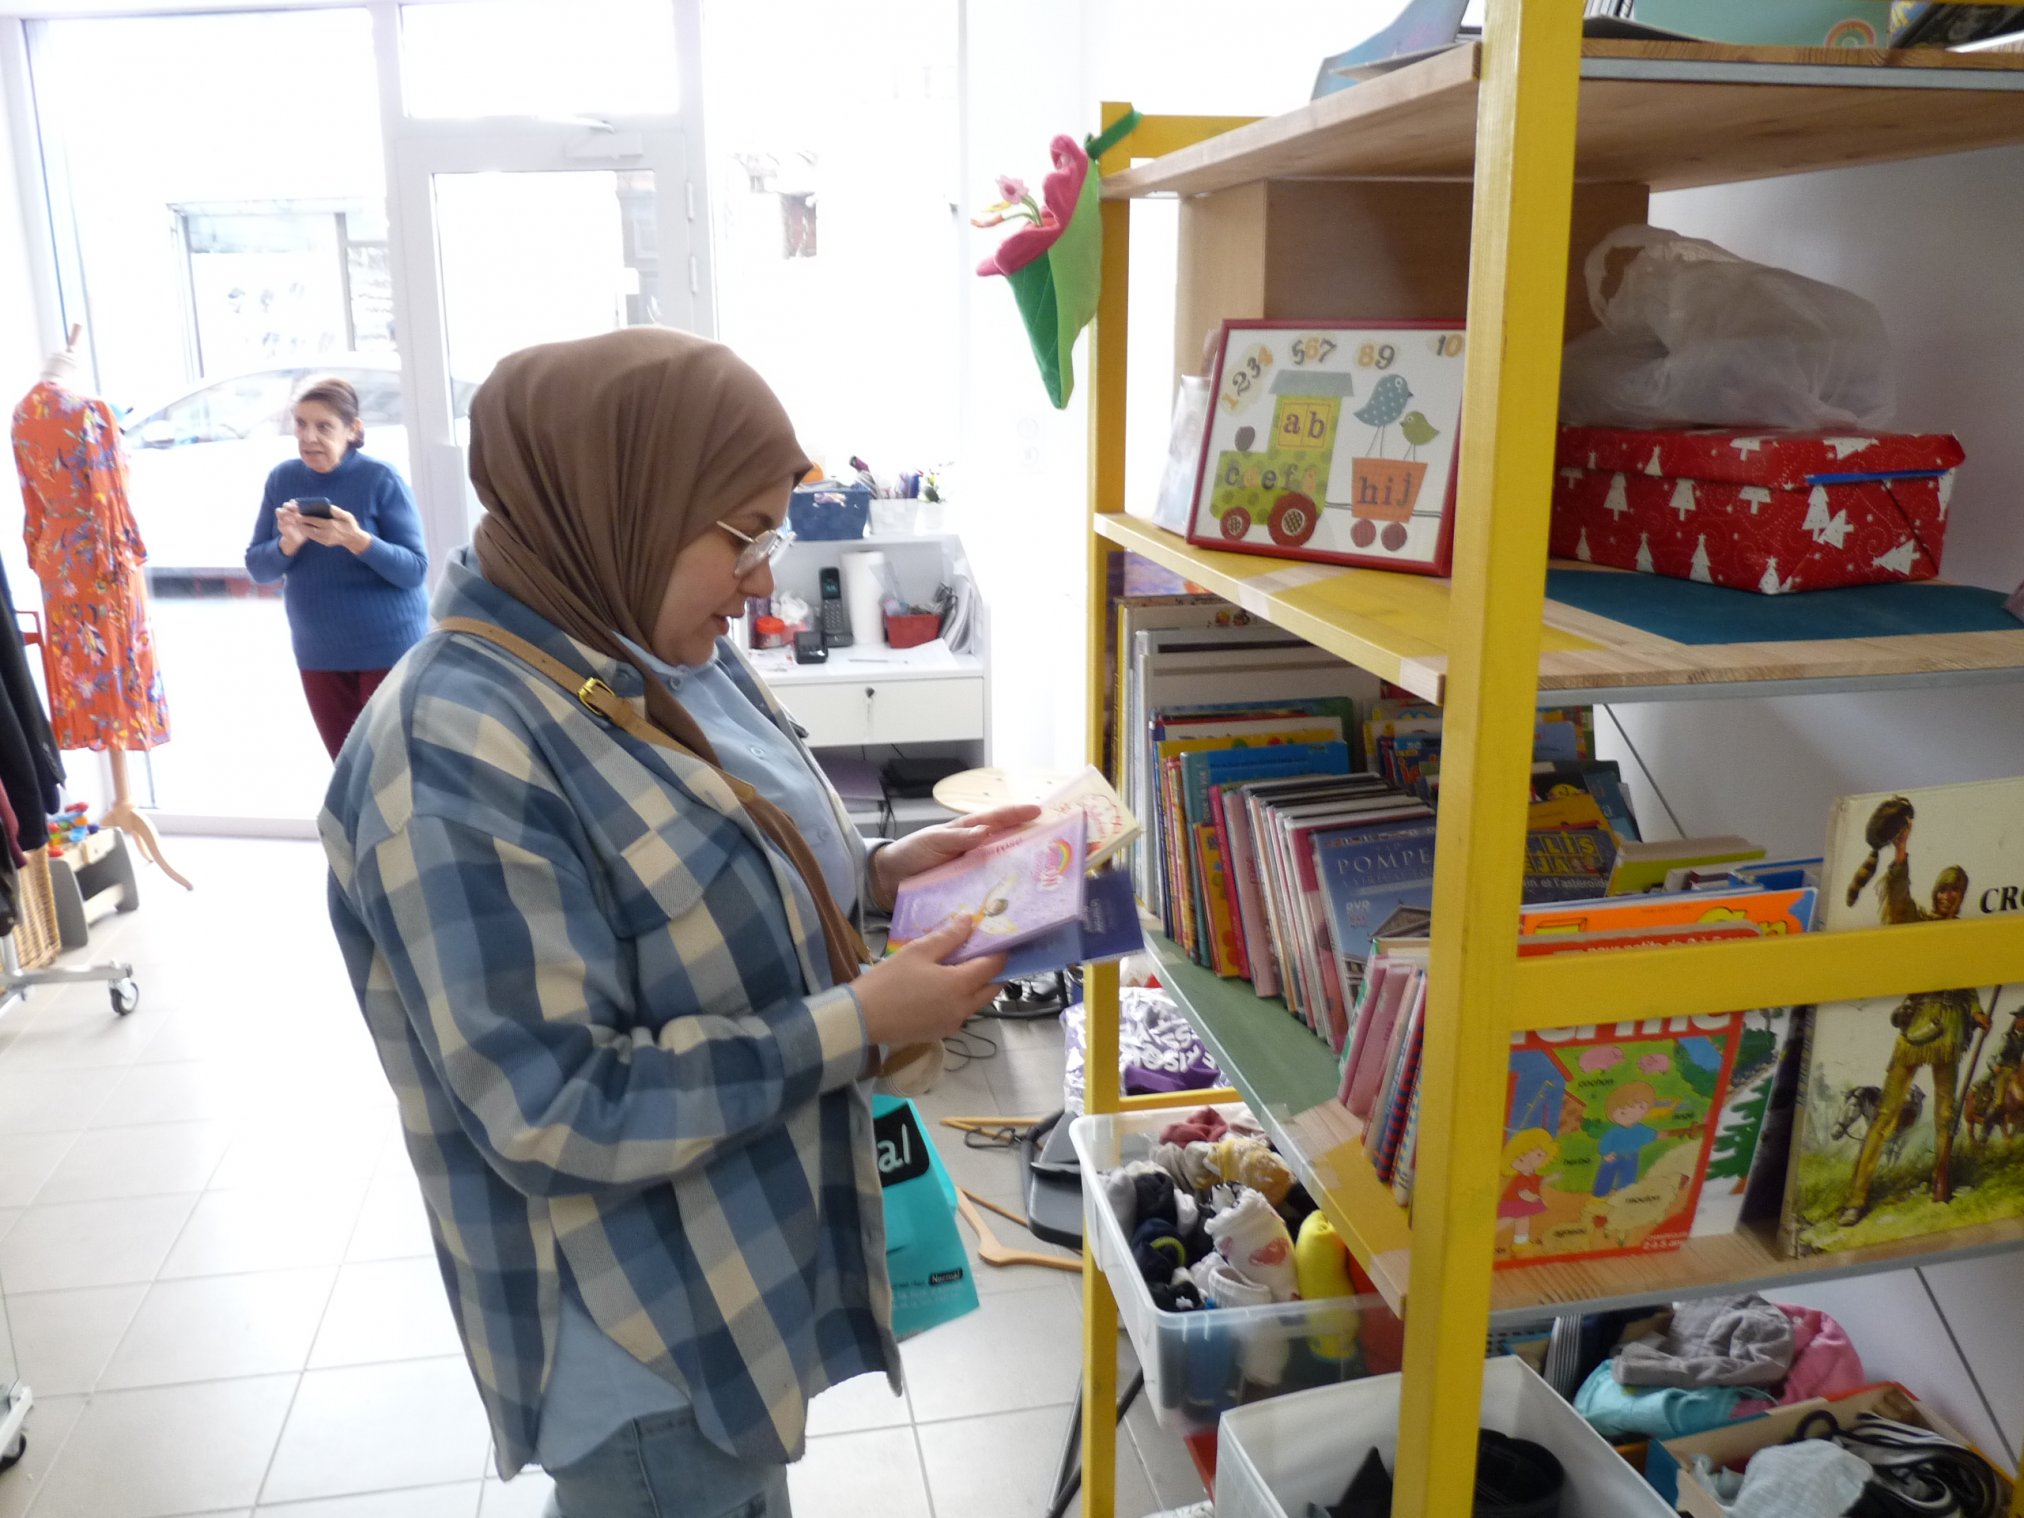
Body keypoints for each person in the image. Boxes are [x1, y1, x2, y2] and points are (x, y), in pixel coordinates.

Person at [321, 328, 1036, 1518]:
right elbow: (551, 1108)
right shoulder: (450, 748)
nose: (765, 576)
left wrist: (874, 872)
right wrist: (854, 1023)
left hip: (733, 1274)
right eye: (743, 532)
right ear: (625, 498)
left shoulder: (643, 641)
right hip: (638, 1338)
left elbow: (716, 838)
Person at [245, 376, 429, 758]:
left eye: (323, 426)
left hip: (389, 649)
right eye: (300, 424)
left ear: (353, 430)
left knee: (395, 770)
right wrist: (288, 544)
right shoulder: (283, 479)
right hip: (319, 652)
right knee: (347, 772)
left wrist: (355, 539)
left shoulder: (381, 479)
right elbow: (259, 569)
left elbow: (414, 571)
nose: (308, 437)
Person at [1839, 819, 1990, 1224]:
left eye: (1954, 891)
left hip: (1952, 1031)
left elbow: (1968, 983)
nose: (1947, 896)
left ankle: (1941, 1184)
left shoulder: (1967, 934)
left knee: (1945, 1115)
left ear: (1961, 898)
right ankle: (1856, 1198)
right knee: (1885, 1114)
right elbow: (1899, 901)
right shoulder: (1918, 921)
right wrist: (1901, 855)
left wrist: (1976, 1011)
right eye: (1942, 889)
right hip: (1916, 1026)